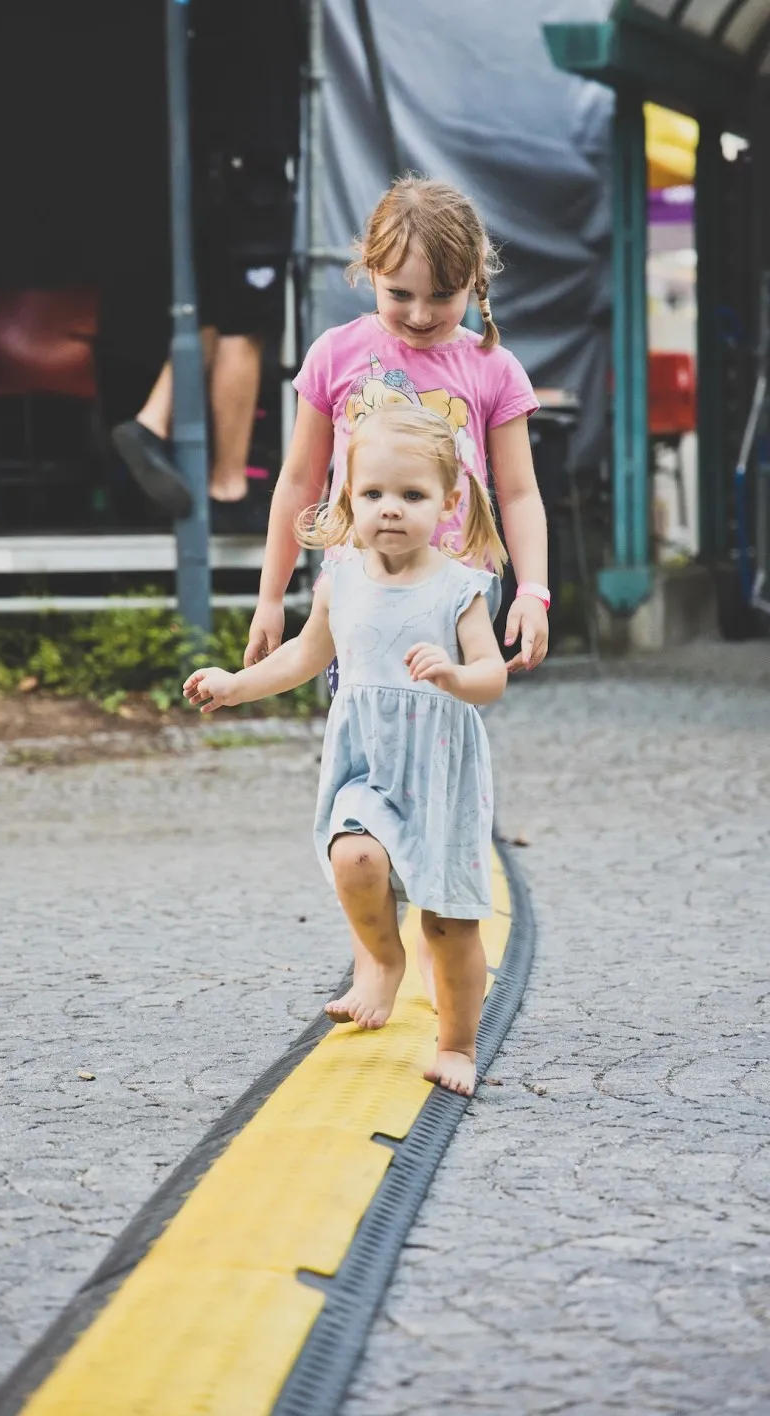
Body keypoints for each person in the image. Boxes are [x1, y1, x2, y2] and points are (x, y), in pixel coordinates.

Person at [243, 173, 550, 1012]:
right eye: (399, 294)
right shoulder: (336, 356)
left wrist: (533, 591)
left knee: (436, 779)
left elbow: (519, 492)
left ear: (476, 281)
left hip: (452, 609)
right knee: (364, 771)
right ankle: (376, 956)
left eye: (441, 297)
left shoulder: (492, 368)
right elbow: (298, 480)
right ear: (367, 272)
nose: (418, 315)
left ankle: (442, 931)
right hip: (361, 603)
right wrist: (272, 596)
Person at [184, 405, 507, 1096]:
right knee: (353, 858)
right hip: (366, 764)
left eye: (412, 495)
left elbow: (492, 675)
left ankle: (458, 1045)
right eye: (373, 493)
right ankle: (383, 961)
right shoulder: (343, 583)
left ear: (449, 501)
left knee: (450, 923)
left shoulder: (460, 589)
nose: (390, 509)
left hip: (439, 772)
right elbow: (304, 656)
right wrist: (236, 685)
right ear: (348, 499)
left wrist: (455, 676)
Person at [111, 0, 301, 533]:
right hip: (250, 174)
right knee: (246, 327)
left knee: (217, 314)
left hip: (216, 168)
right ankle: (228, 486)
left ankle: (152, 421)